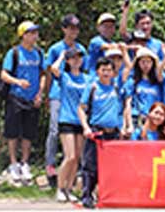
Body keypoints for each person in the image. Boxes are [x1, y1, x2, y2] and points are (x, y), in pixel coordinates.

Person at [0, 21, 46, 186]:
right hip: (15, 96)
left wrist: (40, 93)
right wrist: (18, 82)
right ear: (23, 35)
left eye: (36, 32)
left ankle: (25, 163)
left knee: (29, 133)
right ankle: (13, 163)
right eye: (31, 33)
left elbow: (43, 73)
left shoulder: (39, 53)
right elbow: (4, 74)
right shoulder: (14, 53)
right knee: (12, 132)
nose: (35, 36)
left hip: (33, 98)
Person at [43, 14, 87, 189]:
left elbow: (84, 70)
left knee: (77, 137)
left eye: (76, 28)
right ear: (64, 29)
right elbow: (49, 71)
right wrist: (46, 94)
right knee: (55, 130)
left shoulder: (81, 49)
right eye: (70, 28)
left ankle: (73, 174)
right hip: (57, 92)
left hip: (75, 94)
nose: (73, 31)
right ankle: (50, 163)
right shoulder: (56, 48)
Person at [78, 58, 123, 209]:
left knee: (112, 167)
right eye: (103, 70)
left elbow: (124, 107)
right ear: (97, 71)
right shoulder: (92, 87)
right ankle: (87, 196)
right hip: (96, 131)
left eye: (109, 70)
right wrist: (86, 127)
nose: (106, 73)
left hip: (114, 133)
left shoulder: (116, 87)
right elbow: (81, 108)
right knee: (90, 166)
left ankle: (107, 195)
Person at [50, 47, 89, 202]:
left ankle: (69, 188)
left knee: (77, 157)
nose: (77, 60)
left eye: (79, 57)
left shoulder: (87, 78)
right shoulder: (65, 77)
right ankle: (60, 188)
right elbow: (53, 69)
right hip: (66, 118)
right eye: (73, 58)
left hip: (81, 121)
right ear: (68, 60)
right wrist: (61, 56)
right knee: (70, 156)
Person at [124, 47, 163, 129]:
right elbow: (128, 104)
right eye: (143, 62)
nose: (146, 64)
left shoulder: (158, 82)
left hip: (155, 120)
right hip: (137, 119)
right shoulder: (132, 81)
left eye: (149, 61)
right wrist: (129, 125)